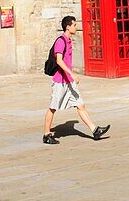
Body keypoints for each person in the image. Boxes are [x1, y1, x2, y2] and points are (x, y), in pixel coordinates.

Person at [43, 15, 110, 145]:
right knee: (53, 108)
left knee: (80, 105)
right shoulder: (61, 41)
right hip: (60, 81)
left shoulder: (69, 40)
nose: (76, 27)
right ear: (68, 27)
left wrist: (71, 76)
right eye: (74, 25)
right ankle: (46, 134)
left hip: (69, 82)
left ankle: (95, 130)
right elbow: (59, 60)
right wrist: (72, 73)